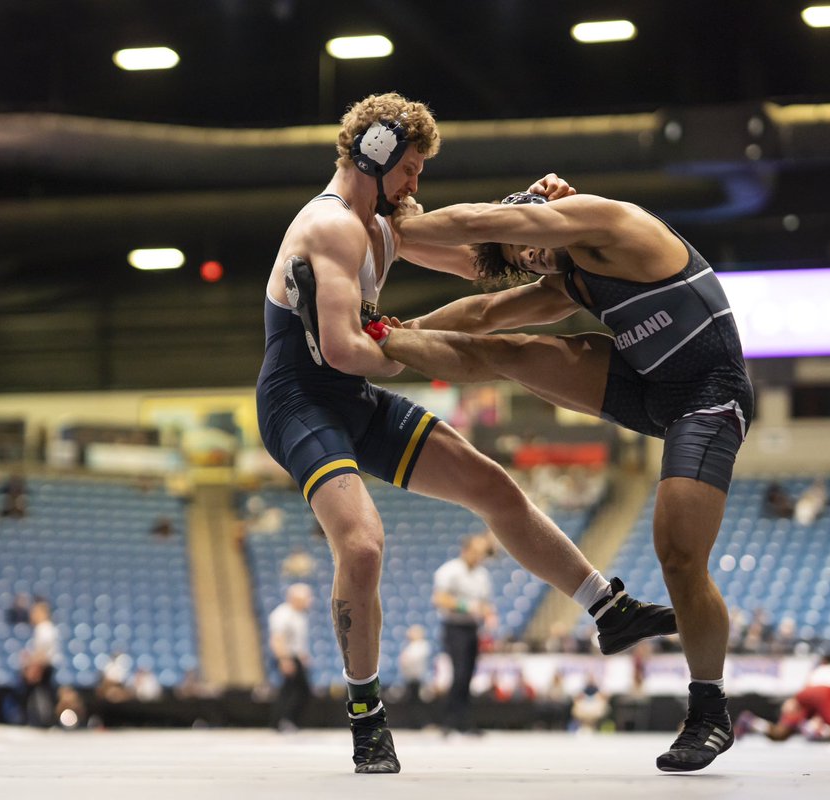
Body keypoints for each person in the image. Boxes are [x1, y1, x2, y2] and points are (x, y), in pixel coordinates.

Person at [257, 92, 678, 774]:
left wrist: (540, 218)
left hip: (351, 396)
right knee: (362, 545)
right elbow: (340, 350)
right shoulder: (332, 227)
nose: (417, 184)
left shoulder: (381, 224)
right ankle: (366, 717)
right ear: (377, 153)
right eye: (412, 167)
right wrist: (432, 352)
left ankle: (609, 608)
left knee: (494, 486)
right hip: (299, 401)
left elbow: (484, 261)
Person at [359, 184, 754, 771]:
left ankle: (709, 710)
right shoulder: (569, 278)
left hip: (710, 394)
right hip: (649, 388)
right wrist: (390, 334)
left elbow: (478, 221)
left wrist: (392, 226)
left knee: (678, 555)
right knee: (508, 351)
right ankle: (380, 346)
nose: (533, 259)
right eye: (521, 261)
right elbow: (483, 314)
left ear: (538, 217)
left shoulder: (610, 220)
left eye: (529, 246)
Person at [433, 533, 496, 734]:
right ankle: (450, 720)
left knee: (469, 674)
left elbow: (485, 603)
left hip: (472, 628)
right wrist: (467, 606)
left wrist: (488, 614)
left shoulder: (482, 575)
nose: (480, 557)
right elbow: (440, 599)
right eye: (476, 552)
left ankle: (464, 721)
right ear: (466, 550)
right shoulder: (450, 571)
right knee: (459, 673)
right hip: (454, 627)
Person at [268, 583, 313, 733]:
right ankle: (282, 721)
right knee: (290, 691)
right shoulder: (282, 614)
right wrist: (284, 660)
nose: (309, 600)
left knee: (298, 690)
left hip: (295, 657)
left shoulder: (299, 615)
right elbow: (277, 639)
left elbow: (297, 641)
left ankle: (287, 721)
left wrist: (303, 656)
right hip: (286, 656)